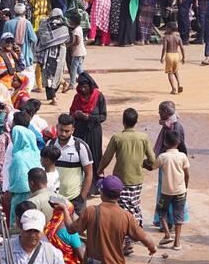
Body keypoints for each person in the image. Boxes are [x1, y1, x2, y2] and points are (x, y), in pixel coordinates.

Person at [98, 108, 155, 253]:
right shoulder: (143, 137)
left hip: (120, 181)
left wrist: (99, 170)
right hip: (137, 179)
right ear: (136, 121)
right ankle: (132, 237)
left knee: (123, 210)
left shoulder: (117, 138)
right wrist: (142, 164)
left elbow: (107, 158)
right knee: (133, 206)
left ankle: (129, 240)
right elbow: (152, 160)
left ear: (123, 121)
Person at [153, 130, 189, 250]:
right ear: (178, 142)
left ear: (165, 143)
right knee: (179, 216)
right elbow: (187, 174)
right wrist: (185, 186)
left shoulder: (163, 157)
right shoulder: (183, 156)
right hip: (180, 191)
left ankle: (167, 234)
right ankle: (177, 243)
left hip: (166, 192)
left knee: (161, 210)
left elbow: (153, 166)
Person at [69, 73, 107, 173]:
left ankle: (96, 175)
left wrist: (89, 117)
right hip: (80, 130)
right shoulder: (77, 97)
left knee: (95, 154)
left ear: (90, 86)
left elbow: (103, 116)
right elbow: (71, 113)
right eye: (80, 87)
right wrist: (75, 115)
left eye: (85, 87)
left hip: (93, 131)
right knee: (80, 153)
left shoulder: (98, 96)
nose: (83, 89)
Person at [160, 22, 185, 94]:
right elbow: (182, 48)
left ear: (169, 29)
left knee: (170, 73)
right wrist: (183, 57)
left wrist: (162, 57)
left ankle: (173, 89)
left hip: (169, 55)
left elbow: (164, 48)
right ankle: (179, 83)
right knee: (176, 71)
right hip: (176, 55)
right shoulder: (178, 38)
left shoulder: (166, 37)